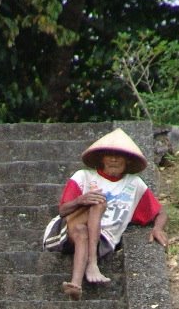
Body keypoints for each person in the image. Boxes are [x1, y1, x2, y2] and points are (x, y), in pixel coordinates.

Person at [42, 128, 168, 300]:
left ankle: (76, 285)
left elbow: (159, 211)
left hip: (103, 241)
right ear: (101, 158)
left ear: (128, 161)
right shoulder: (83, 176)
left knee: (82, 231)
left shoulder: (135, 185)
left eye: (119, 155)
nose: (114, 159)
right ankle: (92, 264)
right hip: (63, 233)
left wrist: (158, 228)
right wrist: (81, 200)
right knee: (97, 203)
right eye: (109, 154)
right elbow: (63, 210)